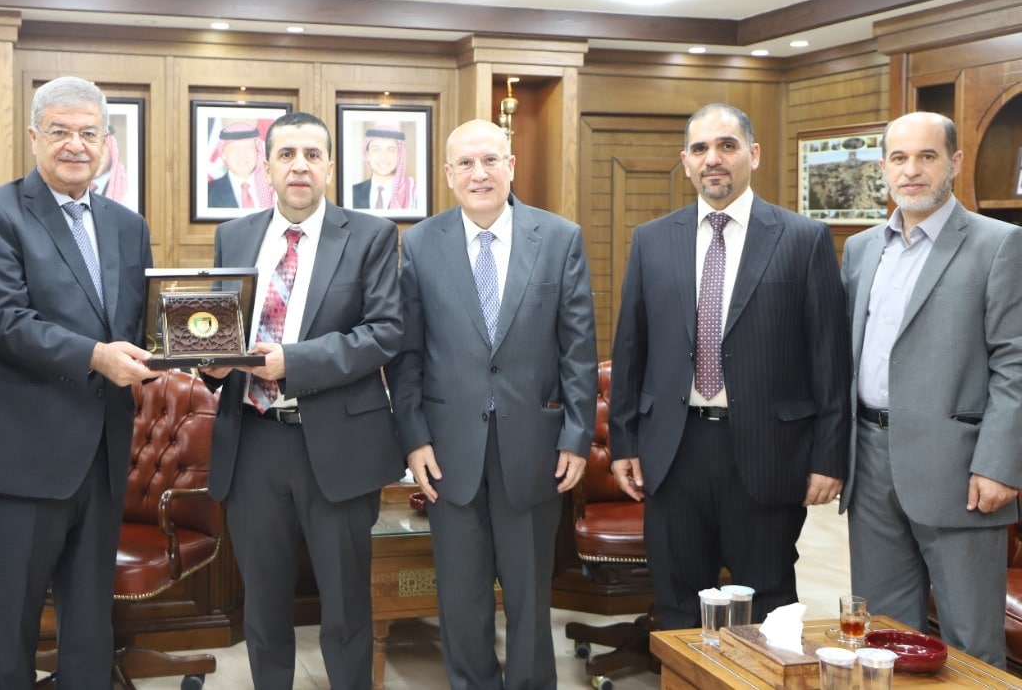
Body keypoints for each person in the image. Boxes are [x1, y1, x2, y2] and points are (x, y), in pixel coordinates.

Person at [0, 76, 159, 689]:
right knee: (9, 626)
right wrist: (97, 357)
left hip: (103, 455)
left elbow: (141, 324)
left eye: (89, 132)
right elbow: (1, 321)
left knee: (89, 624)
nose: (75, 145)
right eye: (60, 131)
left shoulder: (128, 225)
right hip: (20, 457)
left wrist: (201, 353)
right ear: (34, 136)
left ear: (106, 142)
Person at [609, 102, 850, 629]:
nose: (712, 159)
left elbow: (829, 359)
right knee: (677, 603)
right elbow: (631, 349)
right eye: (699, 149)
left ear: (753, 154)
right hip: (673, 450)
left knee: (767, 606)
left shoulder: (803, 238)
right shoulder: (652, 239)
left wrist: (829, 456)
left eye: (726, 146)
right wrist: (624, 441)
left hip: (768, 451)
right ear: (686, 162)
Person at [387, 118, 597, 690]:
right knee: (461, 600)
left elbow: (579, 350)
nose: (479, 173)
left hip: (534, 451)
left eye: (490, 160)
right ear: (448, 174)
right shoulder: (421, 243)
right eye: (465, 163)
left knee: (529, 598)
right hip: (448, 452)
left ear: (511, 166)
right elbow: (406, 354)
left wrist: (577, 436)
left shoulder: (559, 238)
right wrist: (413, 438)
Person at [200, 110, 404, 690]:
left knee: (345, 605)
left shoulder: (370, 235)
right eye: (286, 154)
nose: (299, 166)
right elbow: (219, 328)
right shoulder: (234, 235)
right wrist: (212, 363)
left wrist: (294, 361)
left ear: (330, 168)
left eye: (312, 155)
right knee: (263, 604)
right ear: (266, 167)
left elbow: (385, 332)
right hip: (252, 440)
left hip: (339, 443)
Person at [840, 111, 1022, 667]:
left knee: (971, 646)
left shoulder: (1000, 244)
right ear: (883, 168)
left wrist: (999, 465)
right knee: (883, 640)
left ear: (955, 162)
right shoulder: (861, 249)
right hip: (870, 463)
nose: (911, 170)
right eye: (899, 158)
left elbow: (1015, 363)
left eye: (927, 157)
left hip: (960, 472)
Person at [351, 125, 416, 210]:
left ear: (399, 156)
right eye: (376, 149)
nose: (383, 157)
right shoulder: (352, 193)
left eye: (391, 150)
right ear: (367, 155)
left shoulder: (413, 193)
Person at [207, 121, 268, 209]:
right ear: (223, 154)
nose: (242, 154)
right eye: (235, 148)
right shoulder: (208, 193)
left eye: (248, 147)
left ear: (257, 151)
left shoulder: (274, 191)